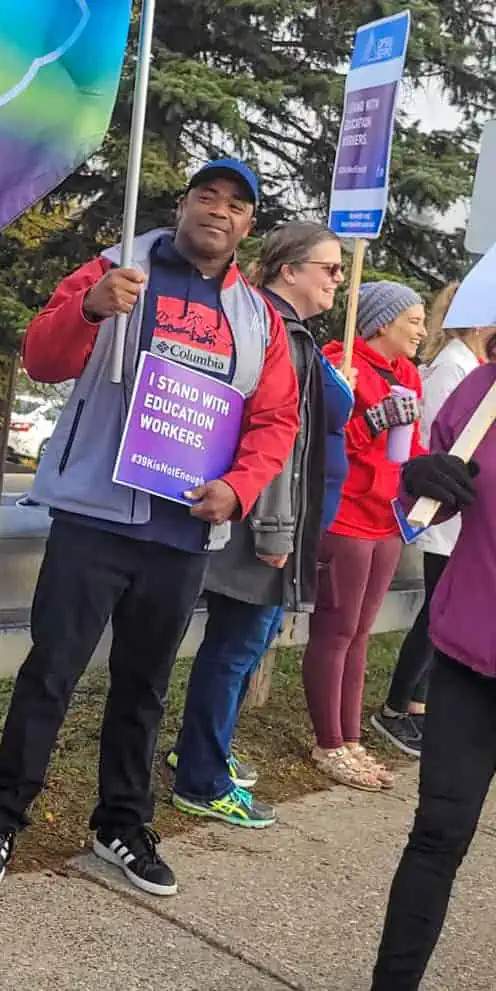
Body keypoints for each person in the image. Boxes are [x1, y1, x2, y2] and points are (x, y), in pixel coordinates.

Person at [0, 158, 299, 897]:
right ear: (183, 205)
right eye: (207, 195)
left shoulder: (256, 316)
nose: (219, 209)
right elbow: (42, 357)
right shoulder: (118, 266)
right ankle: (1, 812)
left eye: (237, 204)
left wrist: (239, 489)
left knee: (143, 688)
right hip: (95, 517)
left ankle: (121, 820)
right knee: (50, 673)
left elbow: (275, 419)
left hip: (182, 532)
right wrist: (89, 309)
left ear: (247, 226)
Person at [167, 221, 355, 828]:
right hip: (265, 527)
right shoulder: (274, 331)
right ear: (288, 269)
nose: (338, 279)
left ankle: (204, 751)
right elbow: (277, 449)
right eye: (329, 267)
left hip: (282, 527)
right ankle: (201, 777)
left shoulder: (295, 334)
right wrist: (276, 533)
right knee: (234, 650)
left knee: (242, 651)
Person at [370, 362, 494, 989]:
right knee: (438, 834)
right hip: (471, 655)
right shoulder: (483, 392)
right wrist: (418, 477)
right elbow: (420, 511)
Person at [303, 282, 427, 792]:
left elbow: (413, 450)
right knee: (335, 631)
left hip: (387, 518)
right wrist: (372, 420)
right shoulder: (340, 365)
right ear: (381, 323)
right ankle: (327, 742)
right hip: (345, 516)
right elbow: (324, 444)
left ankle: (351, 739)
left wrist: (426, 478)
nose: (422, 331)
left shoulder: (409, 376)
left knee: (360, 634)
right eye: (413, 321)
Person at [370, 283, 495, 757]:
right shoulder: (460, 371)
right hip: (444, 512)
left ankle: (416, 702)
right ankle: (403, 704)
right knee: (436, 612)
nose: (420, 330)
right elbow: (439, 435)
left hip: (459, 519)